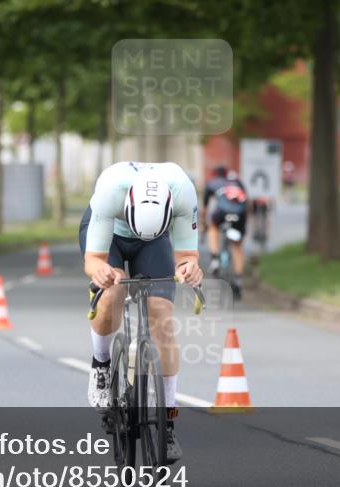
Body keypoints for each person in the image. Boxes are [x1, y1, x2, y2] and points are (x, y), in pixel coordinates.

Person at [81, 161, 203, 463]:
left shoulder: (184, 191)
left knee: (162, 316)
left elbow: (187, 255)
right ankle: (101, 363)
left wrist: (189, 268)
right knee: (114, 290)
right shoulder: (110, 190)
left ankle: (168, 422)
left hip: (155, 240)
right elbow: (93, 260)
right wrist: (102, 273)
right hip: (109, 236)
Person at [204, 166, 249, 299]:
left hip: (222, 212)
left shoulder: (212, 183)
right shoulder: (237, 182)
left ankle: (215, 257)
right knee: (237, 246)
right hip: (240, 214)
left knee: (213, 227)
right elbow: (247, 202)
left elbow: (204, 209)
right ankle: (239, 280)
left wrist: (203, 224)